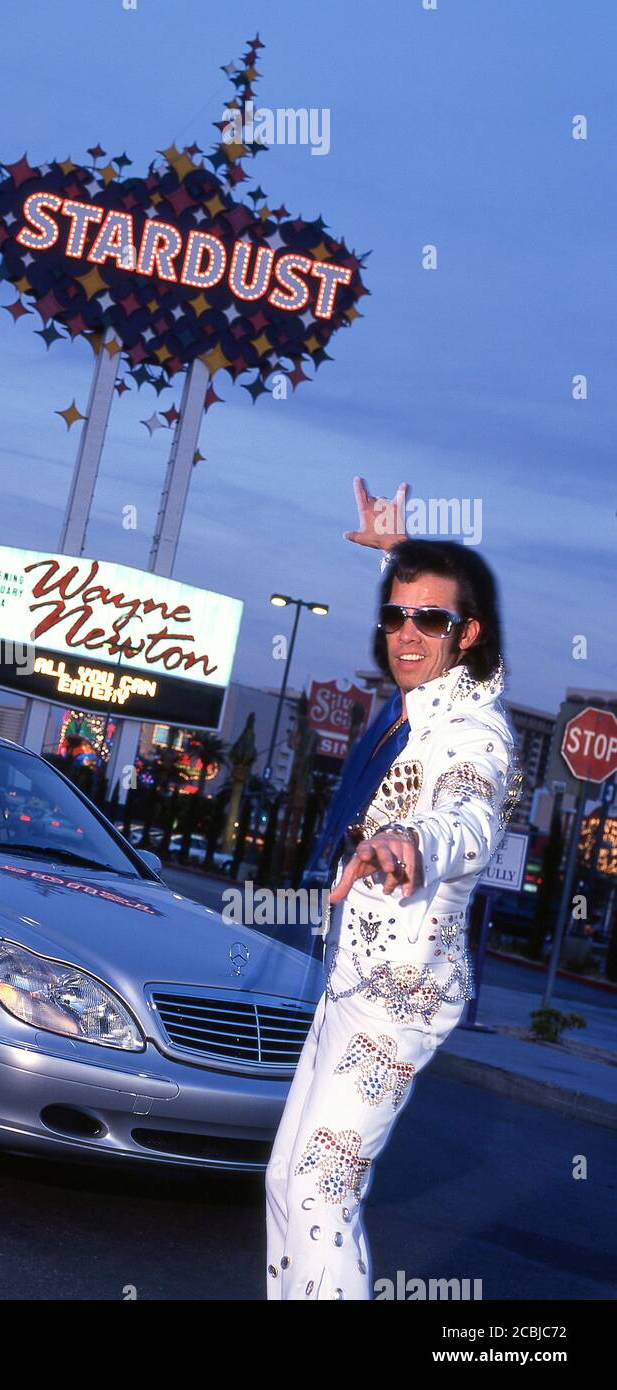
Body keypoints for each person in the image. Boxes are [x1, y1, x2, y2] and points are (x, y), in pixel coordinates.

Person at [264, 478, 521, 1300]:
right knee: (283, 1180)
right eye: (395, 615)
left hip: (399, 994)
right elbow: (433, 645)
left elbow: (469, 813)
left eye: (430, 620)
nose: (405, 633)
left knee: (319, 1191)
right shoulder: (422, 701)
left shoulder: (470, 729)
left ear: (467, 633)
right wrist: (398, 557)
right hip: (354, 979)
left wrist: (414, 837)